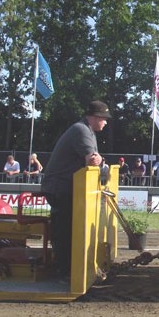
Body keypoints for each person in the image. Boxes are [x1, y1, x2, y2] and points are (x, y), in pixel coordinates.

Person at [40, 100, 111, 275]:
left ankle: (68, 267)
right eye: (104, 118)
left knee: (69, 228)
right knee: (66, 229)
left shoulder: (86, 130)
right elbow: (92, 160)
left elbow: (95, 159)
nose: (106, 122)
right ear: (95, 117)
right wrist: (101, 163)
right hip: (61, 188)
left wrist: (100, 161)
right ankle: (65, 270)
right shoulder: (82, 130)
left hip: (64, 187)